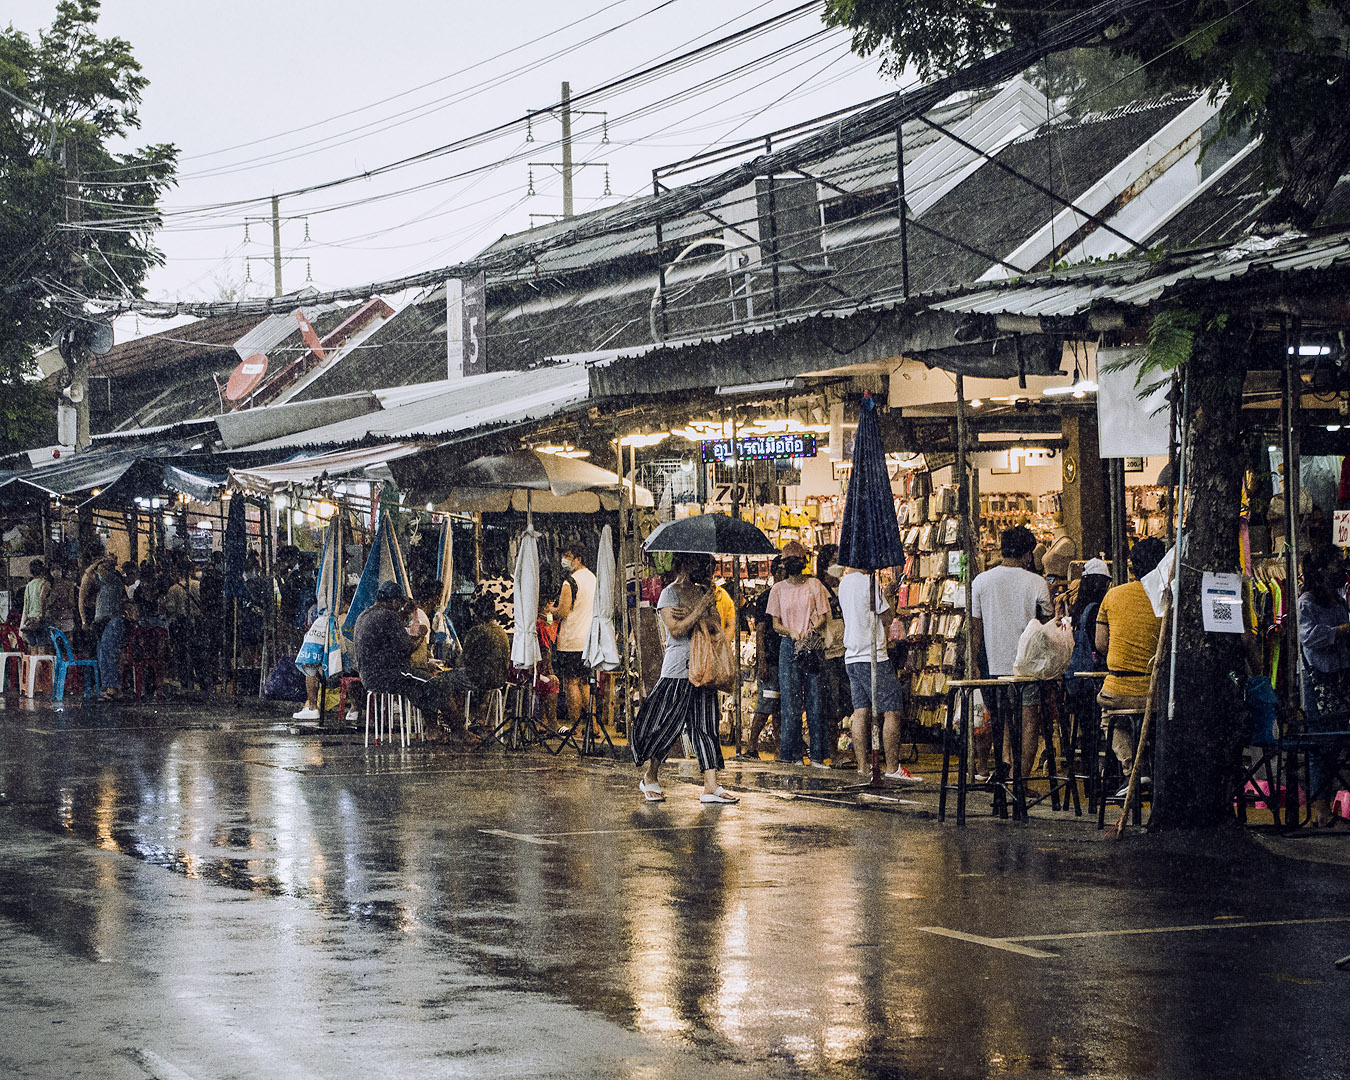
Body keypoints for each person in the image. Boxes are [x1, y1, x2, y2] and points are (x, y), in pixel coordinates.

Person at [630, 552, 738, 804]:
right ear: (686, 563)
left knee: (706, 726)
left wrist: (699, 611)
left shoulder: (704, 592)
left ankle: (711, 786)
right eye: (701, 563)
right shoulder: (669, 593)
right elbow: (676, 629)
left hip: (704, 668)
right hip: (678, 669)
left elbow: (715, 626)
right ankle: (650, 776)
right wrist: (698, 610)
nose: (706, 568)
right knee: (667, 724)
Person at [971, 525, 1053, 780]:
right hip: (1026, 667)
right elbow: (1048, 622)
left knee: (1000, 719)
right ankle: (1020, 777)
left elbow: (975, 626)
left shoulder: (981, 581)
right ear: (1028, 554)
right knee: (1028, 721)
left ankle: (1003, 764)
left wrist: (973, 661)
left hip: (992, 667)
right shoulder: (1036, 582)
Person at [837, 564, 920, 782]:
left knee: (861, 711)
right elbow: (886, 618)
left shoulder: (844, 584)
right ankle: (892, 767)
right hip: (871, 655)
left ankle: (863, 766)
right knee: (892, 709)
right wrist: (888, 596)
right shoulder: (868, 583)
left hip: (852, 655)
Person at [1095, 538, 1166, 787]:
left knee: (1109, 716)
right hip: (1158, 691)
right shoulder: (1168, 599)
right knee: (1159, 723)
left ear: (1132, 568)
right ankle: (1155, 770)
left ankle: (1131, 768)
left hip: (1119, 691)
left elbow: (1101, 644)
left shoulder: (1112, 596)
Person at [353, 580, 461, 736]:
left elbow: (388, 634)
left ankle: (433, 729)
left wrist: (403, 614)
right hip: (388, 674)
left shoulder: (365, 615)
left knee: (421, 687)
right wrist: (420, 635)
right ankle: (460, 731)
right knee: (438, 683)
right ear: (395, 600)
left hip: (369, 677)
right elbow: (405, 648)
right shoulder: (388, 616)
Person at [1296, 544, 1350, 828]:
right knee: (1319, 744)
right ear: (1321, 570)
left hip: (1339, 679)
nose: (1340, 569)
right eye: (1335, 564)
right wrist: (1339, 632)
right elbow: (1309, 637)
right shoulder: (1307, 602)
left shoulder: (1339, 602)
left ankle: (1326, 806)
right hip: (1316, 681)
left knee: (1335, 744)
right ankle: (1320, 811)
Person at [767, 540, 833, 767]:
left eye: (797, 559)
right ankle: (792, 754)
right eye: (790, 560)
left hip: (811, 645)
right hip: (789, 645)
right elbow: (775, 624)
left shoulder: (815, 585)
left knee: (815, 701)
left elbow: (824, 615)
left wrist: (810, 630)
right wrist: (792, 632)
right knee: (790, 704)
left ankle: (817, 755)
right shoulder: (777, 589)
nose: (794, 563)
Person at [739, 556, 785, 759]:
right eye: (782, 570)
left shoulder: (788, 595)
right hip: (772, 659)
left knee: (779, 707)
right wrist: (762, 659)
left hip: (784, 658)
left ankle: (778, 748)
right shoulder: (766, 597)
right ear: (776, 572)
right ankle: (752, 745)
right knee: (766, 704)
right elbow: (760, 630)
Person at [549, 542, 597, 732]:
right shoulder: (593, 578)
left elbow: (563, 611)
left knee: (571, 683)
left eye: (569, 556)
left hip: (570, 640)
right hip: (588, 639)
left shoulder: (570, 582)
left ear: (578, 559)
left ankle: (575, 727)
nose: (565, 560)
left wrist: (550, 610)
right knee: (584, 682)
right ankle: (593, 725)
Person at [90, 556, 128, 701]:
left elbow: (97, 569)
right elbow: (89, 573)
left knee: (108, 654)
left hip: (112, 621)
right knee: (103, 655)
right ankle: (113, 687)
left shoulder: (114, 580)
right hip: (103, 622)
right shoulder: (103, 584)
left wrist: (102, 560)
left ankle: (111, 688)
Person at [20, 558, 50, 650]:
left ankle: (33, 664)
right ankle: (41, 664)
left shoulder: (29, 585)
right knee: (42, 648)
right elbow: (42, 597)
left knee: (32, 648)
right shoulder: (45, 583)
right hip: (40, 619)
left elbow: (26, 604)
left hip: (30, 620)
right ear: (42, 570)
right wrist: (43, 614)